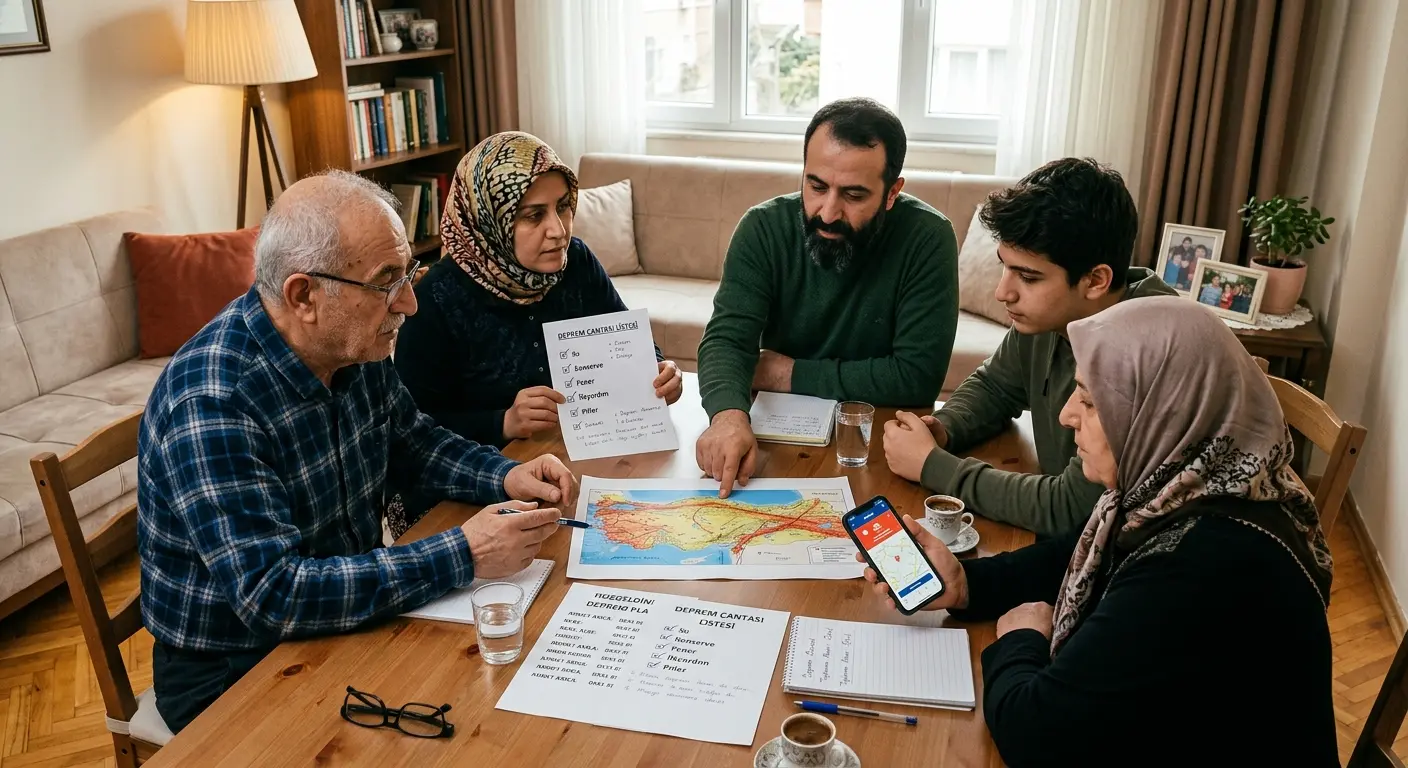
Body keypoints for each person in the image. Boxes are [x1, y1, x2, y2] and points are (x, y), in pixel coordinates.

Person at [137, 170, 579, 733]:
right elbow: (275, 595)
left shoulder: (352, 346)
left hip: (339, 612)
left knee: (497, 707)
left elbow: (413, 441)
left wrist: (506, 475)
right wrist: (464, 552)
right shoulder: (214, 401)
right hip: (233, 667)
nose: (411, 304)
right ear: (304, 296)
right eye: (387, 281)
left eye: (409, 273)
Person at [861, 296, 1337, 766]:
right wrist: (967, 585)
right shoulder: (1180, 489)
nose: (1067, 415)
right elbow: (1070, 557)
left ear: (1161, 415)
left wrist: (1018, 640)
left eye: (1089, 401)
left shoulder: (1200, 564)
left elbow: (1037, 736)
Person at [392, 132, 684, 531]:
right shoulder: (433, 299)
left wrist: (658, 368)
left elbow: (625, 339)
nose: (559, 230)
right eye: (534, 215)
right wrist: (503, 422)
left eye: (563, 208)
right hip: (468, 501)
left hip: (570, 466)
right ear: (489, 222)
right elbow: (410, 434)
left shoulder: (575, 262)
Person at [881, 158, 1176, 536]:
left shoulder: (1142, 350)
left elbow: (1071, 508)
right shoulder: (1055, 318)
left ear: (1096, 280)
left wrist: (933, 465)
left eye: (1028, 277)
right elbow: (996, 386)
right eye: (1005, 267)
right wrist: (944, 428)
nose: (1003, 292)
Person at [696, 97, 959, 496]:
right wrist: (728, 418)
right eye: (816, 186)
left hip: (882, 445)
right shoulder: (762, 228)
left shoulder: (929, 238)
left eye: (854, 196)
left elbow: (916, 378)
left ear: (892, 193)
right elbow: (727, 340)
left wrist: (787, 373)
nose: (828, 211)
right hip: (777, 442)